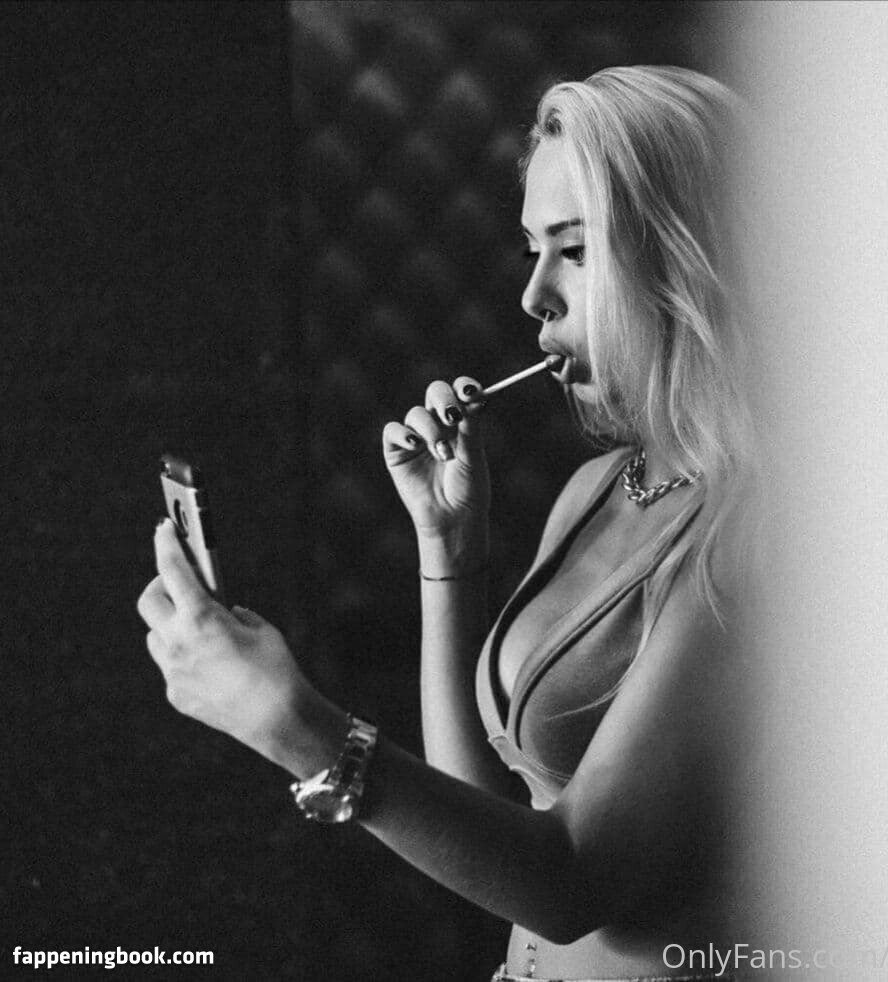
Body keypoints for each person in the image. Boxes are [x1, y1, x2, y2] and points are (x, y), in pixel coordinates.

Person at [138, 65, 757, 982]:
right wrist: (448, 549)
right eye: (531, 250)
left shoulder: (760, 534)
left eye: (574, 250)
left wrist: (290, 724)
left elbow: (570, 884)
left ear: (688, 258)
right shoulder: (599, 487)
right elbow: (489, 843)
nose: (533, 295)